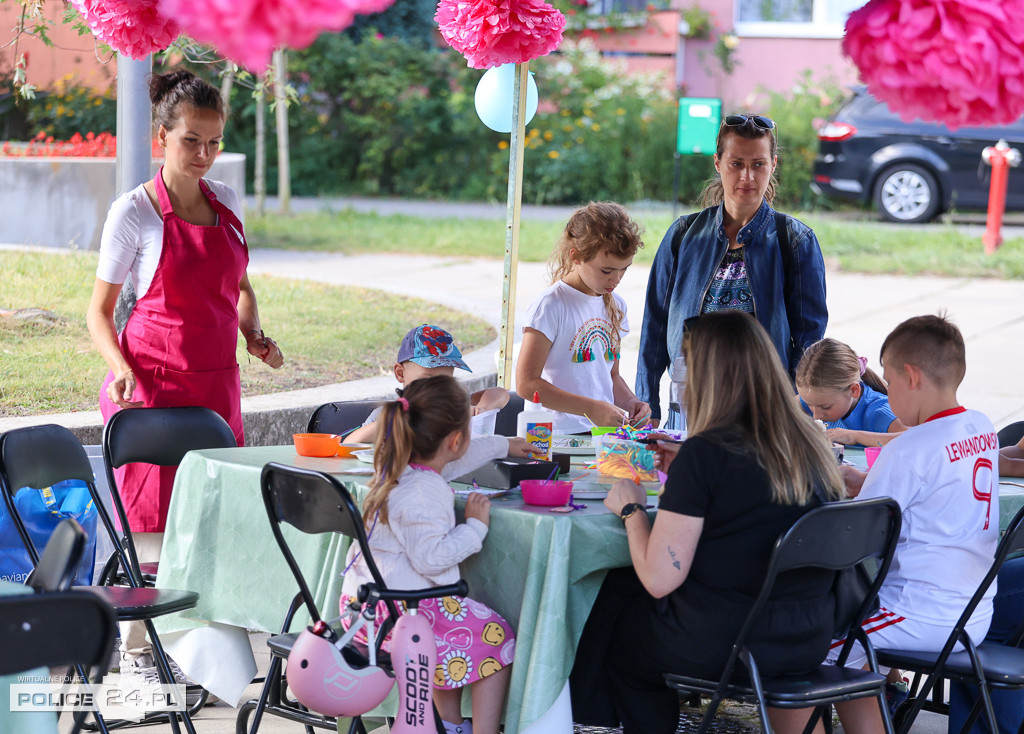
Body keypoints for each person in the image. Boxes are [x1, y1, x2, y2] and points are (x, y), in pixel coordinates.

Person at [85, 69, 283, 694]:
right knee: (152, 526)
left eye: (213, 141)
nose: (203, 154)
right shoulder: (134, 213)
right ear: (162, 137)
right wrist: (120, 370)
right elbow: (97, 312)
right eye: (190, 140)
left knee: (211, 521)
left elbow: (241, 288)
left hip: (217, 387)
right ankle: (138, 652)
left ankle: (198, 652)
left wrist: (253, 334)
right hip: (153, 389)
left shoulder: (226, 202)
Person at [569, 310, 845, 734]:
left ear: (705, 378)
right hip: (806, 637)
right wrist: (688, 476)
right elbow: (751, 496)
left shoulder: (708, 454)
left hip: (730, 642)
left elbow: (659, 579)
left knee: (617, 630)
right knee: (624, 599)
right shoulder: (810, 443)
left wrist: (631, 510)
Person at [831, 314, 999, 734]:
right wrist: (869, 482)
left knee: (809, 649)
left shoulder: (909, 448)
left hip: (921, 616)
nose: (885, 394)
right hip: (975, 613)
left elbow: (857, 538)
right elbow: (936, 490)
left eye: (886, 381)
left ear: (910, 376)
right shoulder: (981, 426)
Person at [339, 375, 515, 734]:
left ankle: (449, 725)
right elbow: (432, 560)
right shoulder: (425, 492)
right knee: (499, 637)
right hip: (404, 617)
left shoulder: (398, 468)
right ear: (455, 440)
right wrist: (475, 527)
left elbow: (451, 464)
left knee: (452, 622)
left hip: (367, 609)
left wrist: (504, 445)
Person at [636, 114, 827, 429]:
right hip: (689, 403)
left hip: (764, 407)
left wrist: (797, 409)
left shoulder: (794, 239)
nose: (748, 177)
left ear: (773, 164)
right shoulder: (684, 234)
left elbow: (809, 339)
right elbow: (654, 325)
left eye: (758, 164)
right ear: (717, 163)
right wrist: (647, 401)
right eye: (736, 163)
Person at [516, 202, 651, 432]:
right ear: (576, 257)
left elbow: (611, 374)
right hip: (552, 435)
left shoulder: (616, 306)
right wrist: (591, 409)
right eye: (606, 271)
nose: (616, 279)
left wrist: (631, 402)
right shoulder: (551, 305)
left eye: (624, 269)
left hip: (601, 435)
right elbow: (526, 384)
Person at [345, 324, 510, 444]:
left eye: (445, 380)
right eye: (428, 379)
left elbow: (500, 393)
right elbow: (348, 444)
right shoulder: (386, 414)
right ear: (400, 373)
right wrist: (393, 423)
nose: (437, 388)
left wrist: (484, 408)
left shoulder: (453, 406)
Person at [795, 338, 907, 447]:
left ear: (853, 390)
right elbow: (780, 415)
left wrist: (854, 436)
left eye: (826, 407)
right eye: (809, 404)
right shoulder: (817, 399)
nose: (816, 415)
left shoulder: (877, 412)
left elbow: (915, 439)